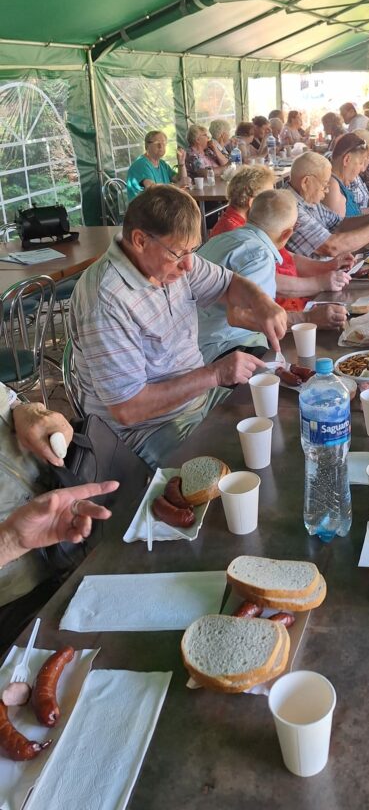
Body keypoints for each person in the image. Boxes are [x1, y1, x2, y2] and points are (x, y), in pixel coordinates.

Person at [69, 186, 287, 466]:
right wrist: (215, 374)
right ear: (139, 240)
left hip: (198, 401)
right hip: (146, 432)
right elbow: (128, 409)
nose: (188, 264)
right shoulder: (106, 301)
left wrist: (262, 302)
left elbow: (229, 284)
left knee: (277, 423)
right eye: (179, 253)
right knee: (238, 464)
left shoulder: (171, 263)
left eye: (192, 250)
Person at [0, 382, 118, 645]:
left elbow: (6, 400)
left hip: (69, 543)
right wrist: (10, 541)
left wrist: (26, 410)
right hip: (18, 599)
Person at [197, 191, 348, 363]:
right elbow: (240, 315)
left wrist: (321, 283)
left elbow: (260, 285)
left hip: (196, 341)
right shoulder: (258, 254)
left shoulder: (225, 239)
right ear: (287, 234)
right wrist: (308, 318)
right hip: (221, 348)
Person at [209, 165, 352, 311]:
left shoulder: (254, 223)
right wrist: (319, 283)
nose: (275, 198)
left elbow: (287, 257)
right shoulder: (232, 232)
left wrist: (328, 267)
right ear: (252, 203)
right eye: (269, 195)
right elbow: (269, 282)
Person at [285, 151, 369, 259]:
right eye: (324, 185)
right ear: (306, 183)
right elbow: (331, 247)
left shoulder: (308, 198)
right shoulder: (289, 208)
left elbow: (340, 224)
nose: (327, 190)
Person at [126, 130, 188, 201]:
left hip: (160, 206)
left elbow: (181, 180)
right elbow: (154, 190)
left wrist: (181, 164)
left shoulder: (162, 164)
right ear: (147, 145)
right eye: (157, 143)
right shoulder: (141, 164)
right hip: (144, 209)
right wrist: (178, 185)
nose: (161, 146)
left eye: (163, 143)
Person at [324, 133, 369, 217]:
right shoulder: (332, 186)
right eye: (361, 163)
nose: (362, 169)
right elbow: (340, 228)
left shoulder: (338, 183)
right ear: (347, 160)